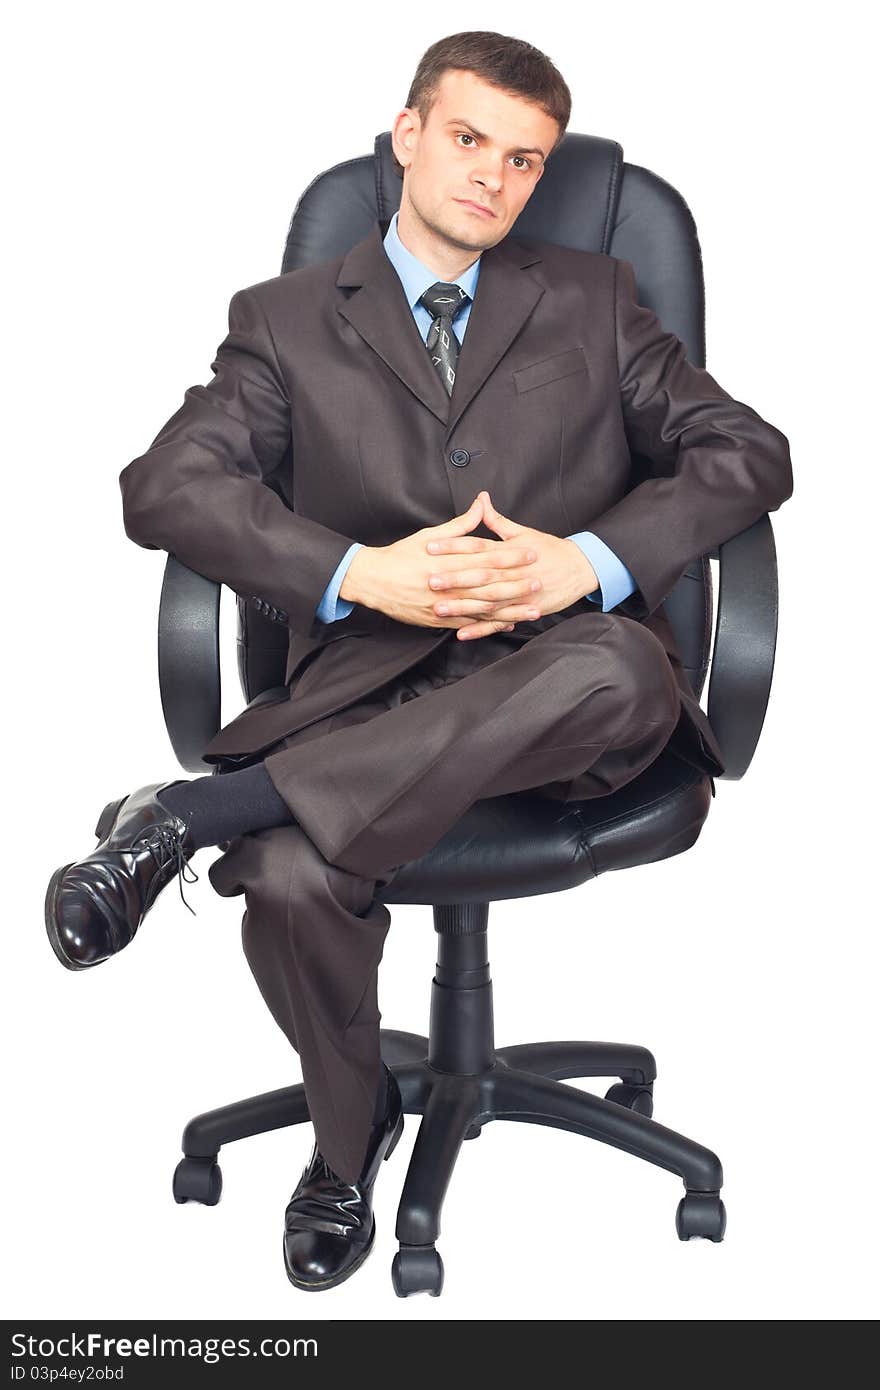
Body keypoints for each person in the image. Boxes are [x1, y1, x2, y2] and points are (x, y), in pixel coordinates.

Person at [44, 31, 793, 1292]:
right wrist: (354, 573)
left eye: (524, 159)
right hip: (366, 695)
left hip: (572, 699)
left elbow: (748, 453)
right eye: (467, 141)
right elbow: (164, 486)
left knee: (618, 667)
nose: (493, 179)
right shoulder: (285, 324)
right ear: (405, 135)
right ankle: (347, 1146)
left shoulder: (597, 303)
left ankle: (192, 815)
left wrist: (589, 559)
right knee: (286, 875)